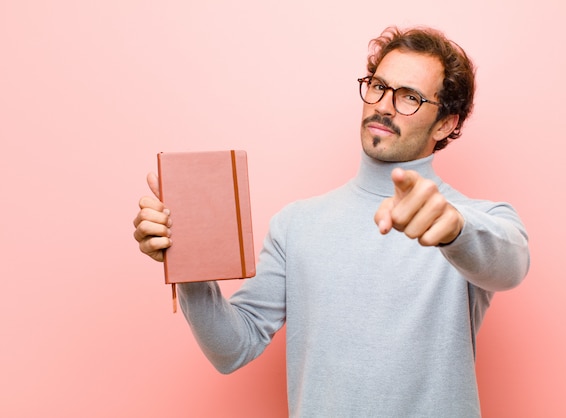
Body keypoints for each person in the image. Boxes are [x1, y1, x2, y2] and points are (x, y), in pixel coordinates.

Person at [133, 25, 530, 417]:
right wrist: (188, 263)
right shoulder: (296, 224)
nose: (384, 105)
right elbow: (232, 349)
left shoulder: (478, 219)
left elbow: (510, 265)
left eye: (409, 97)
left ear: (445, 123)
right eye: (378, 86)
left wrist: (454, 229)